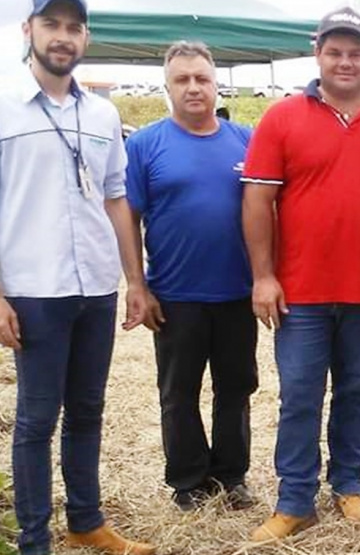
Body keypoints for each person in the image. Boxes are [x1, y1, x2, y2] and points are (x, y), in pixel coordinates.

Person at [241, 6, 360, 541]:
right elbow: (257, 201)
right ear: (318, 54)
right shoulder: (283, 117)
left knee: (356, 389)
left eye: (354, 52)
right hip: (301, 290)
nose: (345, 61)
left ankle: (348, 484)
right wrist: (264, 276)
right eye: (334, 51)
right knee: (299, 392)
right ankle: (295, 499)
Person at [0, 1, 156, 554]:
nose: (63, 37)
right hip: (34, 288)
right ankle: (34, 541)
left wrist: (134, 281)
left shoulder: (103, 115)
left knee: (88, 410)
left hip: (94, 286)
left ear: (85, 37)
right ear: (28, 30)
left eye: (73, 27)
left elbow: (116, 196)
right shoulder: (5, 107)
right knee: (37, 419)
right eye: (52, 25)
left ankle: (86, 521)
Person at [125, 41, 257, 513]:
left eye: (201, 78)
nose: (194, 87)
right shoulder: (143, 145)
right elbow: (128, 217)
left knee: (236, 387)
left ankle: (231, 476)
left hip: (237, 292)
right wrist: (136, 284)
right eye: (182, 80)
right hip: (175, 295)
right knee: (179, 393)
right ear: (167, 87)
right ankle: (187, 480)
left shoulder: (246, 140)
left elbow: (267, 212)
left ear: (215, 82)